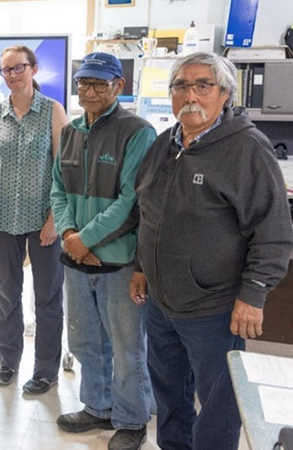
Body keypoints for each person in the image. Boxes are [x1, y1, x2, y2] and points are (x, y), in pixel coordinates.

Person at [130, 52, 293, 450]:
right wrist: (141, 267)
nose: (191, 95)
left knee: (218, 405)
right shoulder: (165, 143)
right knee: (169, 395)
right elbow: (148, 212)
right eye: (181, 86)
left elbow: (273, 232)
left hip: (214, 309)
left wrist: (252, 296)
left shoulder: (247, 149)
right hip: (161, 303)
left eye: (203, 85)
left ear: (226, 94)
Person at [50, 52, 156, 450]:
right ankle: (97, 406)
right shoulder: (71, 131)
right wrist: (69, 234)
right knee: (83, 340)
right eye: (83, 83)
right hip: (77, 259)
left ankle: (131, 419)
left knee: (127, 346)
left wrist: (86, 239)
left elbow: (131, 201)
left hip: (118, 261)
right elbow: (58, 189)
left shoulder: (138, 132)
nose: (89, 91)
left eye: (99, 83)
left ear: (118, 86)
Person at [0, 45, 68, 393]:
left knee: (47, 297)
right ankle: (8, 361)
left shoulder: (53, 111)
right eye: (6, 70)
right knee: (7, 294)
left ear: (33, 69)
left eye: (19, 68)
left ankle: (46, 370)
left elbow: (63, 170)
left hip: (43, 219)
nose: (13, 75)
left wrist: (54, 219)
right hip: (4, 217)